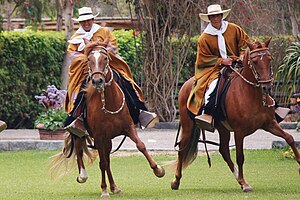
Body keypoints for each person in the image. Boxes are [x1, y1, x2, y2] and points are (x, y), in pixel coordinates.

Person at [188, 4, 289, 132]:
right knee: (213, 86)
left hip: (237, 63)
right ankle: (208, 114)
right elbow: (202, 59)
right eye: (212, 16)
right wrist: (221, 60)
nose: (216, 18)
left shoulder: (233, 28)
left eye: (217, 15)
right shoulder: (204, 38)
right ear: (209, 18)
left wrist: (242, 55)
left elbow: (246, 44)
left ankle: (273, 107)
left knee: (259, 78)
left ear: (221, 16)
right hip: (215, 69)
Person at [64, 7, 158, 136]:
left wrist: (100, 53)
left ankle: (140, 111)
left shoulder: (103, 32)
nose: (86, 24)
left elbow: (113, 47)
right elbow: (72, 54)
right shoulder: (76, 37)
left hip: (105, 66)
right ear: (80, 23)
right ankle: (76, 119)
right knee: (80, 90)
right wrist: (87, 57)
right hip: (87, 69)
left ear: (92, 20)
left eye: (88, 21)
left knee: (126, 82)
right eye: (83, 22)